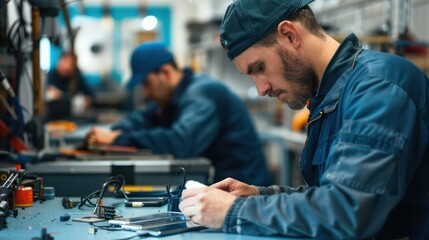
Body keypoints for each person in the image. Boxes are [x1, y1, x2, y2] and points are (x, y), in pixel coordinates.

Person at [178, 0, 429, 239]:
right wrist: (258, 197)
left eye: (260, 68)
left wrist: (233, 211)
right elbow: (328, 196)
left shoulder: (378, 85)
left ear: (289, 35)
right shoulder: (330, 96)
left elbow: (346, 211)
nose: (261, 89)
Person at [86, 42, 273, 186]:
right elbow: (144, 117)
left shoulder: (202, 93)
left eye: (147, 84)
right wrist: (117, 132)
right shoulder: (172, 96)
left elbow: (182, 142)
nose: (146, 93)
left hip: (244, 191)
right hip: (216, 185)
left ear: (165, 73)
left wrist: (120, 140)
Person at [45, 52, 94, 116]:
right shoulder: (50, 75)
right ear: (59, 61)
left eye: (71, 63)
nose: (67, 66)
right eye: (65, 61)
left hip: (73, 116)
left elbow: (90, 96)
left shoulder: (76, 77)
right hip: (53, 116)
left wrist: (80, 103)